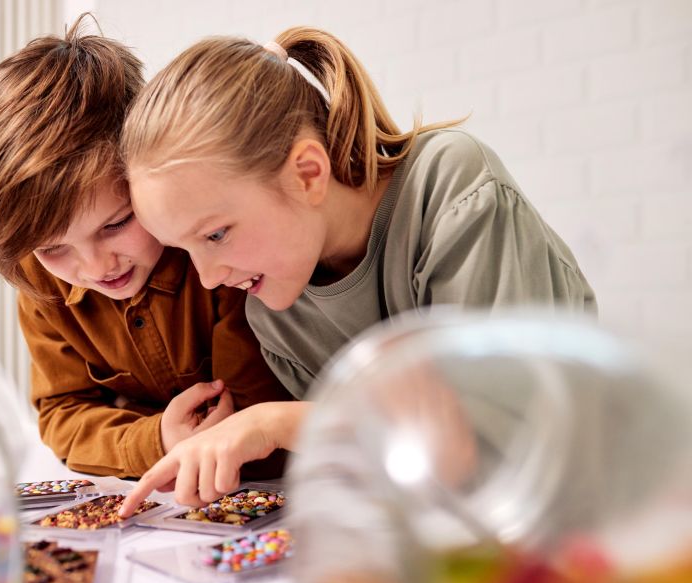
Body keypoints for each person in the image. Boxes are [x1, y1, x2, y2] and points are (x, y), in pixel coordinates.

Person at [118, 26, 595, 515]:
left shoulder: (451, 186)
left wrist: (274, 424)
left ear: (307, 174)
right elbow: (400, 470)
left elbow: (486, 445)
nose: (209, 278)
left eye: (216, 235)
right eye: (185, 249)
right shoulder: (275, 312)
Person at [0, 17, 291, 480]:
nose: (96, 266)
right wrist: (154, 438)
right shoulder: (40, 278)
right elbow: (61, 415)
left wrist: (120, 413)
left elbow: (250, 417)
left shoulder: (217, 253)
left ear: (146, 173)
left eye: (116, 224)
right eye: (54, 247)